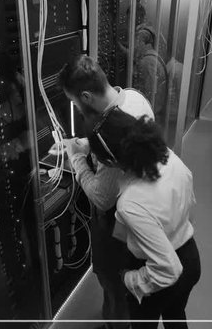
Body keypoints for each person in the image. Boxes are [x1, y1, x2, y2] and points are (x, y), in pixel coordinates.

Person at [57, 55, 154, 328]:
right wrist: (83, 144)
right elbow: (112, 140)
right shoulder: (133, 98)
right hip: (144, 209)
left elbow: (102, 196)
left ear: (86, 96)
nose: (76, 108)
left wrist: (76, 158)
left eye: (76, 102)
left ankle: (117, 323)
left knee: (112, 278)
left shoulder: (112, 126)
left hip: (119, 223)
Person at [85, 107, 200, 329]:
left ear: (110, 162)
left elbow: (169, 269)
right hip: (191, 257)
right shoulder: (169, 157)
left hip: (162, 274)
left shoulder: (131, 203)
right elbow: (189, 209)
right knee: (176, 314)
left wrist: (130, 278)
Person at [133, 25, 168, 124]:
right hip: (158, 108)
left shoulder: (146, 61)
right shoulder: (155, 56)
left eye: (136, 42)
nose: (136, 46)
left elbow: (149, 90)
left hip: (151, 111)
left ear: (142, 42)